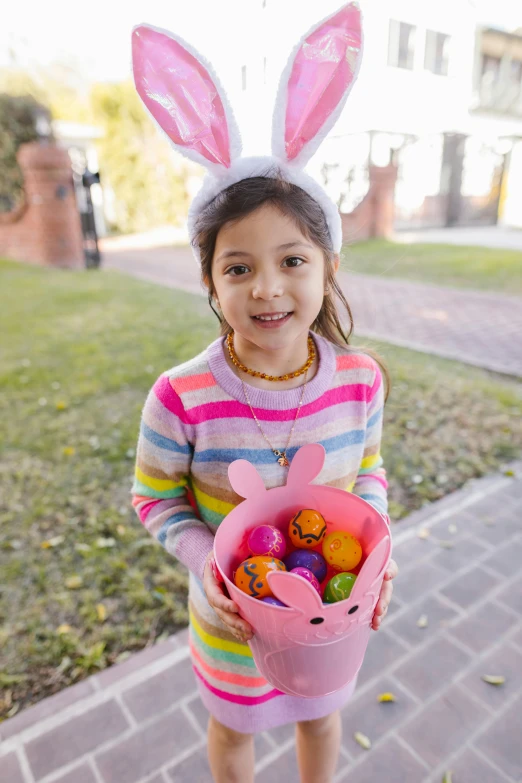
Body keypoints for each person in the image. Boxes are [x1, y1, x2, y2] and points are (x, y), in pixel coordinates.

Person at [130, 5, 398, 781]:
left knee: (320, 717)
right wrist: (201, 561)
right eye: (239, 267)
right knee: (236, 732)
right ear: (210, 281)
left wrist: (378, 543)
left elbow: (370, 469)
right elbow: (156, 498)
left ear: (329, 266)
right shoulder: (180, 396)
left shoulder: (361, 381)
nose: (268, 288)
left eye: (292, 259)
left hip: (331, 620)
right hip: (230, 625)